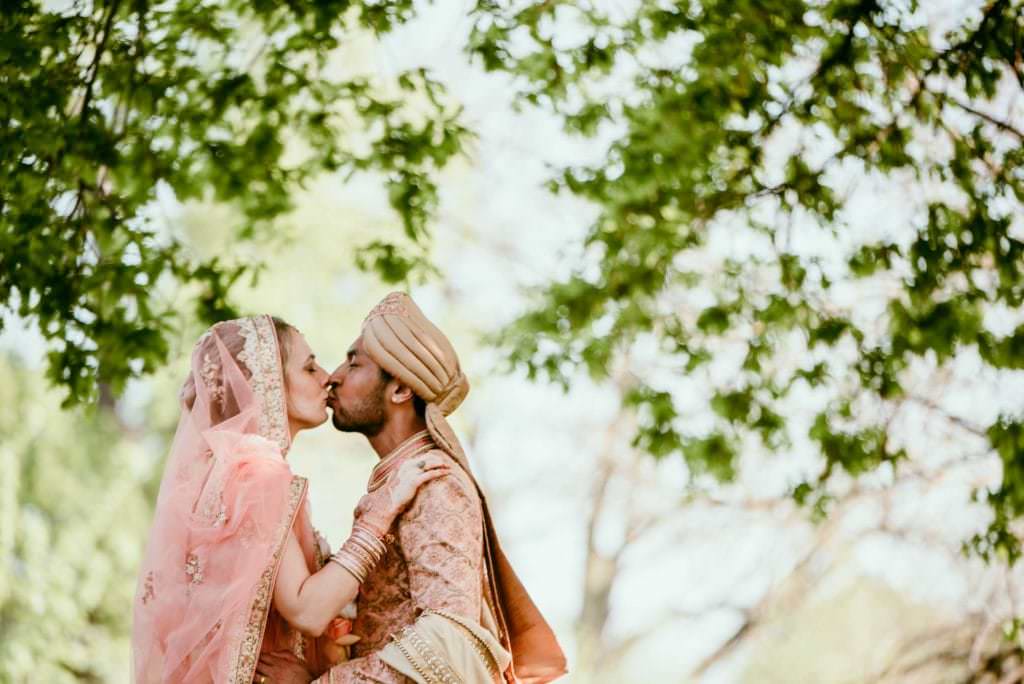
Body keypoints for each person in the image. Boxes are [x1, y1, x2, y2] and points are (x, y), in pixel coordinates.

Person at [260, 293, 567, 684]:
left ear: (401, 391)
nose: (333, 376)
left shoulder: (435, 484)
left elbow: (448, 647)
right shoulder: (399, 482)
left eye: (354, 363)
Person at [132, 314, 448, 683]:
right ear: (267, 384)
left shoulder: (236, 472)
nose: (327, 376)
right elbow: (307, 610)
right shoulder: (255, 475)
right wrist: (383, 510)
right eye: (309, 367)